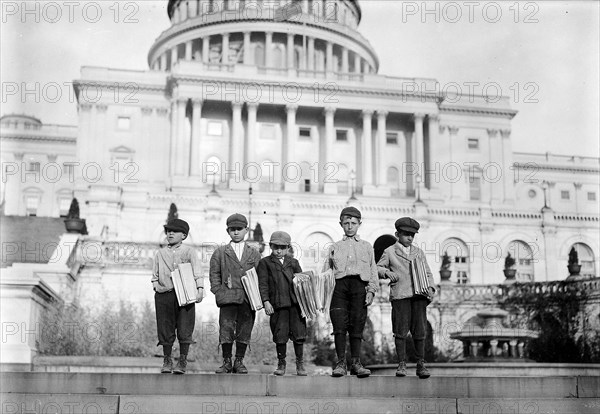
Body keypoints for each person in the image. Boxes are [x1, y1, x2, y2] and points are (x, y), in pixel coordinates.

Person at [377, 217, 436, 379]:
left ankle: (421, 363)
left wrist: (431, 287)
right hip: (400, 295)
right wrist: (387, 273)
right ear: (397, 234)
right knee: (400, 331)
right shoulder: (389, 251)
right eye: (406, 234)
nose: (410, 238)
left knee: (420, 331)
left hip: (419, 295)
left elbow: (428, 272)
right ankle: (401, 363)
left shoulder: (419, 252)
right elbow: (378, 268)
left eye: (413, 235)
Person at [324, 206, 378, 378]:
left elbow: (373, 270)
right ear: (341, 224)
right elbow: (326, 273)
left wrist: (371, 291)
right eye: (346, 223)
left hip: (358, 287)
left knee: (357, 326)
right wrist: (324, 295)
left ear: (359, 224)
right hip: (339, 288)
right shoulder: (334, 247)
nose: (349, 226)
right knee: (339, 326)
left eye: (353, 223)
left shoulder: (367, 247)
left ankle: (356, 363)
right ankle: (341, 364)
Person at [209, 213, 262, 374]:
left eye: (239, 229)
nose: (236, 232)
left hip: (248, 299)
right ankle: (226, 361)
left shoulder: (254, 253)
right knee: (226, 328)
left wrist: (257, 295)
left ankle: (239, 361)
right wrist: (219, 291)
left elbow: (260, 275)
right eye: (232, 229)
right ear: (228, 231)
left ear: (246, 230)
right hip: (228, 298)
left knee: (245, 329)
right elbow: (214, 275)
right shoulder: (220, 252)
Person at [152, 218, 204, 374]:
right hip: (165, 295)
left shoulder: (189, 252)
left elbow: (197, 270)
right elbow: (154, 275)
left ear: (184, 235)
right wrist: (156, 285)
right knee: (165, 328)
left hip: (185, 295)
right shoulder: (160, 253)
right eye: (168, 231)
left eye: (174, 231)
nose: (170, 234)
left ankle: (182, 360)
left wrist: (199, 288)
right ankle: (167, 360)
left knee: (185, 327)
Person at [257, 231, 307, 376]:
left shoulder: (293, 262)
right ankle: (281, 363)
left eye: (282, 247)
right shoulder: (265, 263)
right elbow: (263, 284)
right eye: (275, 247)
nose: (279, 250)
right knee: (280, 335)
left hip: (295, 305)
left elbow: (302, 282)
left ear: (288, 248)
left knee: (299, 334)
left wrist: (305, 303)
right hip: (278, 305)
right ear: (271, 246)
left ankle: (300, 363)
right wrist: (266, 301)